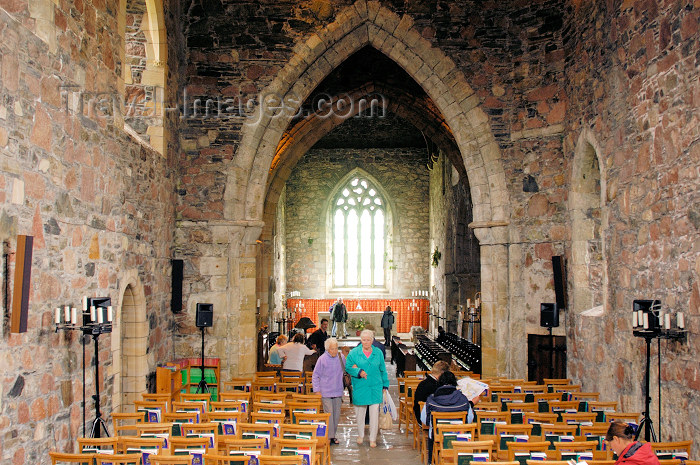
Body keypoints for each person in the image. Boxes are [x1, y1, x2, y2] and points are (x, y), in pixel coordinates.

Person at [421, 371, 479, 464]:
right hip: (459, 435)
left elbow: (425, 420)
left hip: (438, 436)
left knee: (432, 433)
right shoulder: (463, 399)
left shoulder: (431, 399)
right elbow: (469, 420)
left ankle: (431, 461)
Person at [345, 329, 389, 448]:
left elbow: (383, 369)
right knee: (360, 413)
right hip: (361, 386)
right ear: (361, 340)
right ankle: (360, 434)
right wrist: (358, 371)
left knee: (374, 413)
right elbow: (348, 366)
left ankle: (373, 438)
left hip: (375, 386)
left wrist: (385, 384)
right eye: (364, 340)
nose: (366, 342)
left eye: (368, 340)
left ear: (372, 340)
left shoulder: (378, 352)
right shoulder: (354, 353)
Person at [311, 337, 345, 445]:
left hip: (338, 390)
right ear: (327, 349)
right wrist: (317, 390)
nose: (334, 351)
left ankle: (332, 435)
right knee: (329, 415)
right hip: (326, 391)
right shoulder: (322, 359)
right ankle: (329, 437)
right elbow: (315, 375)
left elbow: (346, 369)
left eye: (336, 348)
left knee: (336, 416)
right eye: (332, 349)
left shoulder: (341, 357)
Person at [413, 360, 449, 425]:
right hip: (427, 418)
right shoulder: (435, 386)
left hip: (421, 414)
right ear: (442, 373)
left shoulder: (424, 383)